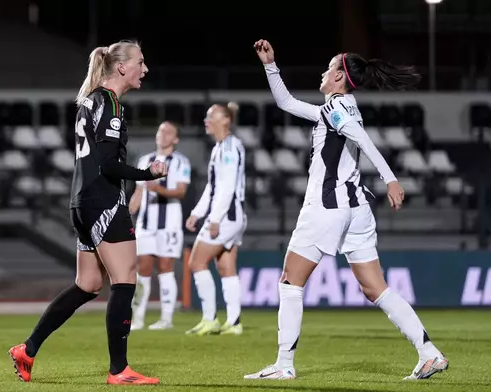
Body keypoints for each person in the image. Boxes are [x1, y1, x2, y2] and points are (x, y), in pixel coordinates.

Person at [244, 39, 448, 381]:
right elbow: (286, 102)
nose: (323, 73)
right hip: (357, 208)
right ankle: (429, 354)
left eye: (329, 68)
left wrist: (391, 179)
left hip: (328, 205)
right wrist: (270, 65)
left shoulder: (336, 108)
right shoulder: (339, 107)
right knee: (375, 288)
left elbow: (362, 139)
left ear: (339, 77)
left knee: (290, 281)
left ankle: (283, 364)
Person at [9, 40, 165, 385]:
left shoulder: (91, 101)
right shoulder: (109, 103)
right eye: (141, 61)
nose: (145, 68)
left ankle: (28, 349)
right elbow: (109, 165)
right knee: (125, 280)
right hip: (103, 201)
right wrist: (147, 174)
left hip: (81, 202)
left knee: (88, 284)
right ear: (122, 67)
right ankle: (119, 370)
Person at [184, 102, 247, 336]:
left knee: (197, 262)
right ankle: (234, 322)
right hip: (232, 215)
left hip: (228, 216)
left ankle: (210, 318)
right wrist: (197, 213)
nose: (206, 120)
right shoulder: (221, 147)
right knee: (225, 267)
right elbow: (213, 186)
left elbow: (227, 187)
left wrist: (215, 219)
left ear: (225, 120)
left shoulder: (230, 147)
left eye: (211, 116)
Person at [129, 121, 191, 330]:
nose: (163, 134)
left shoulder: (180, 162)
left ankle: (166, 319)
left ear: (176, 139)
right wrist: (129, 210)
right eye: (160, 130)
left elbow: (181, 192)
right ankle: (137, 318)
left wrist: (157, 188)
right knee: (141, 270)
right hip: (145, 225)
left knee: (165, 268)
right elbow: (138, 192)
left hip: (169, 225)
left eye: (168, 132)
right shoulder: (145, 160)